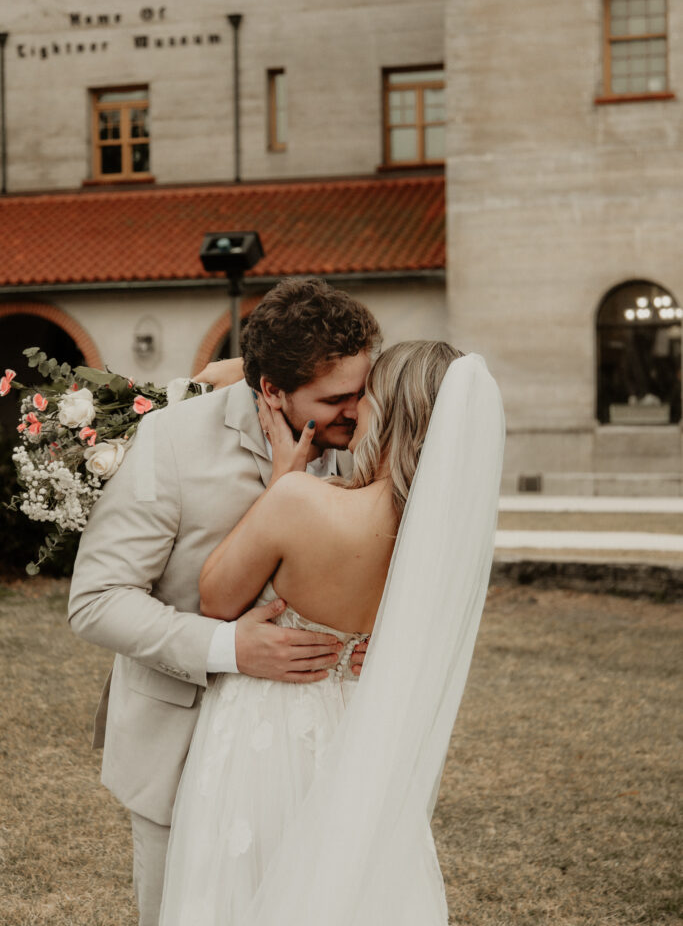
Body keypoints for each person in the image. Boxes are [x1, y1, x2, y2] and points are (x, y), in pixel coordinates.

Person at [67, 278, 382, 926]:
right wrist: (229, 648)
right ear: (270, 390)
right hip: (180, 756)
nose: (359, 409)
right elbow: (97, 599)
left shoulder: (372, 441)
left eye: (363, 389)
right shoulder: (174, 443)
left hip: (313, 750)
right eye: (336, 399)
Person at [159, 340, 505, 926]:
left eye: (365, 396)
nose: (353, 411)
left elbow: (216, 598)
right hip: (358, 731)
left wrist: (279, 482)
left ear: (390, 412)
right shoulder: (440, 534)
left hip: (265, 728)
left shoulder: (299, 501)